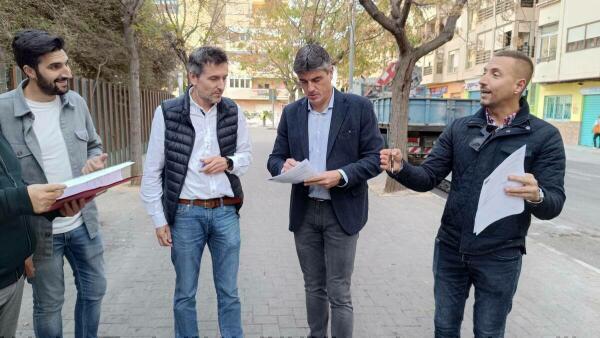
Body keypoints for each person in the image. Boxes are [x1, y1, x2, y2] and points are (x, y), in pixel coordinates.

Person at [380, 50, 566, 337]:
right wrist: (401, 168)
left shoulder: (544, 137)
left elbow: (554, 203)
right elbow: (428, 177)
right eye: (484, 72)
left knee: (489, 333)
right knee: (444, 328)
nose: (482, 80)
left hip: (500, 256)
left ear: (519, 85)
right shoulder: (461, 128)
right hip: (450, 249)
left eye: (495, 74)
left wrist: (537, 195)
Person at [267, 44, 383, 338]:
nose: (310, 88)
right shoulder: (292, 113)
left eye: (316, 80)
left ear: (330, 73)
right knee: (313, 286)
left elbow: (374, 158)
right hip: (305, 213)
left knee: (339, 290)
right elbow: (274, 157)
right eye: (303, 82)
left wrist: (342, 175)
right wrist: (283, 166)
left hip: (341, 212)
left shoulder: (358, 108)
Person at [0, 29, 108, 338]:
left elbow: (94, 145)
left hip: (84, 223)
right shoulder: (3, 111)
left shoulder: (75, 102)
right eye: (55, 67)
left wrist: (94, 161)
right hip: (39, 234)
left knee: (95, 291)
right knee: (49, 305)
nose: (67, 73)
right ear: (30, 71)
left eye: (66, 64)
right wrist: (19, 246)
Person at [140, 46, 252, 338]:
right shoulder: (167, 113)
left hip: (226, 212)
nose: (221, 85)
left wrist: (228, 162)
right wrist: (158, 220)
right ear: (193, 77)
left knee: (229, 292)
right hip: (186, 214)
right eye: (214, 78)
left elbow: (246, 157)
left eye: (225, 78)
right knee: (185, 293)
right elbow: (152, 171)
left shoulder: (233, 111)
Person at [0, 131, 88, 338]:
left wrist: (54, 207)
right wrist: (23, 198)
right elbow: (17, 197)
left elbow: (12, 184)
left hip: (11, 277)